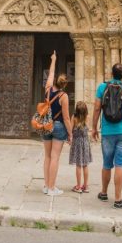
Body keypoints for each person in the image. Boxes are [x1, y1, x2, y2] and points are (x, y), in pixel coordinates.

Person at [91, 62, 122, 209]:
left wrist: (94, 128)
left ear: (111, 73)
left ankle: (104, 192)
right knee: (120, 164)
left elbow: (97, 108)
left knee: (107, 164)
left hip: (107, 132)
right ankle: (118, 199)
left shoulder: (102, 87)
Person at [41, 51, 71, 196]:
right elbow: (66, 118)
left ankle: (46, 186)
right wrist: (70, 134)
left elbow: (51, 74)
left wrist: (53, 59)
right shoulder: (63, 96)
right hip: (58, 126)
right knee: (55, 157)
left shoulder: (48, 89)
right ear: (65, 84)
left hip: (46, 125)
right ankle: (52, 188)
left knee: (47, 156)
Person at [69, 101, 92, 193]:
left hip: (77, 143)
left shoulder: (74, 118)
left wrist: (69, 139)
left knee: (78, 165)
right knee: (85, 165)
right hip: (85, 142)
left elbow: (70, 131)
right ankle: (85, 186)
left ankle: (78, 186)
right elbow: (88, 129)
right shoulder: (88, 117)